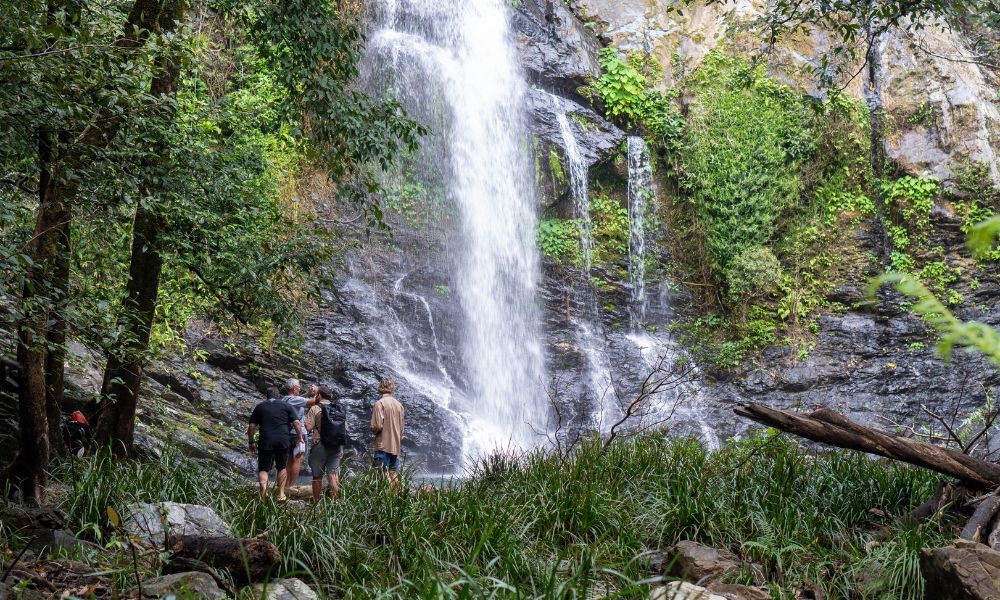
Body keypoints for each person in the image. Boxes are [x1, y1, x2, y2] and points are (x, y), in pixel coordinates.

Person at [248, 386, 304, 501]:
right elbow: (297, 423)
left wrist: (251, 441)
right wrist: (299, 437)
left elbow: (252, 426)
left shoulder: (260, 407)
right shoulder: (286, 405)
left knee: (263, 468)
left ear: (266, 396)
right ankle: (281, 494)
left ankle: (264, 493)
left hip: (265, 440)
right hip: (283, 439)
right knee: (281, 466)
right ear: (278, 395)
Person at [305, 385, 348, 501]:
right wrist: (342, 448)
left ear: (319, 395)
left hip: (319, 444)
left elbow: (308, 427)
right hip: (336, 445)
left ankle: (316, 502)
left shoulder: (315, 408)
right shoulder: (339, 409)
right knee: (333, 474)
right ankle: (334, 503)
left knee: (317, 476)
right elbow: (344, 429)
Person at [281, 378, 317, 485]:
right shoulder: (293, 400)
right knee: (298, 459)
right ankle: (291, 485)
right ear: (294, 388)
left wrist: (308, 393)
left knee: (290, 460)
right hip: (298, 433)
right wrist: (317, 392)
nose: (300, 389)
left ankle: (286, 485)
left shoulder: (286, 399)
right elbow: (313, 402)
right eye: (299, 388)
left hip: (288, 433)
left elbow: (299, 399)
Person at [370, 378, 404, 488]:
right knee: (393, 473)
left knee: (381, 473)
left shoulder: (379, 403)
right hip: (395, 446)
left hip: (382, 445)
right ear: (392, 388)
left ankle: (384, 500)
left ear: (380, 387)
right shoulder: (399, 405)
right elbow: (402, 428)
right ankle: (395, 499)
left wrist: (373, 429)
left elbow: (378, 425)